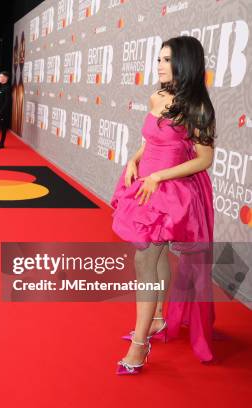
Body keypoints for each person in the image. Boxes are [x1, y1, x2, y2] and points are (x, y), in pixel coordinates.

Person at [111, 36, 216, 375]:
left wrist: (160, 177)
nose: (158, 65)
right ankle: (157, 319)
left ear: (184, 63)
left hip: (170, 191)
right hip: (146, 185)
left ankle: (139, 345)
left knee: (146, 258)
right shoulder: (156, 96)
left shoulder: (198, 108)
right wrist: (134, 160)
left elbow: (204, 159)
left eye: (166, 59)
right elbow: (151, 138)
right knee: (152, 257)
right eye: (158, 59)